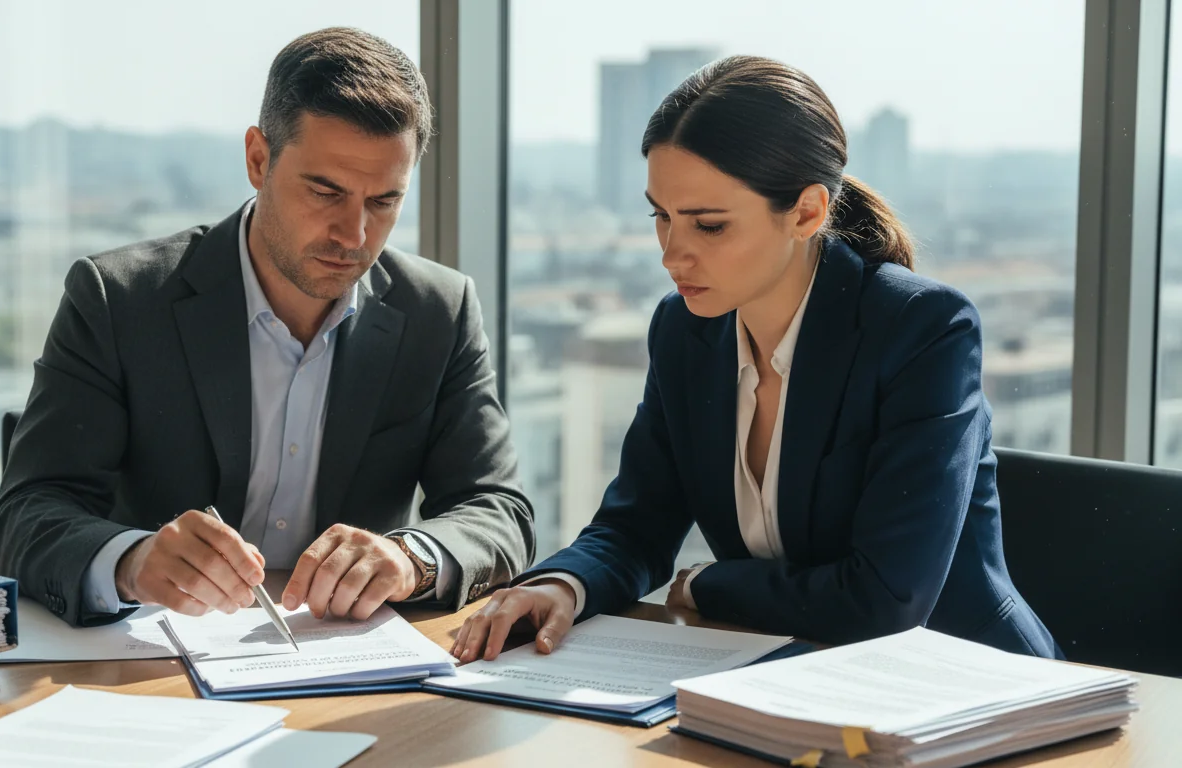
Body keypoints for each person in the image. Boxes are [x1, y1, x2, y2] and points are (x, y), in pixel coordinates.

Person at [452, 55, 1058, 661]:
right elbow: (637, 524)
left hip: (964, 687)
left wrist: (704, 585)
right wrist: (565, 584)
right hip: (779, 678)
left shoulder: (920, 330)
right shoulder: (684, 331)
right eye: (661, 217)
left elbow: (885, 601)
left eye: (709, 226)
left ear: (806, 212)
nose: (672, 255)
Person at [0, 27, 534, 628]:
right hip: (145, 668)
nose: (353, 235)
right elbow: (26, 513)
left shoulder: (439, 311)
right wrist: (132, 560)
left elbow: (499, 510)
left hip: (342, 669)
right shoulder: (119, 299)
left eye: (383, 202)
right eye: (326, 192)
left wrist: (411, 558)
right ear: (258, 159)